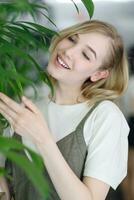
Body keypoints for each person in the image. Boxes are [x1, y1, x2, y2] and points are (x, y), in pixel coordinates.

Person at [0, 20, 130, 200]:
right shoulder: (30, 98)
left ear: (98, 74)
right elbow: (9, 188)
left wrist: (42, 139)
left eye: (85, 55)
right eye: (71, 39)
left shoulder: (105, 116)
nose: (68, 51)